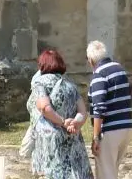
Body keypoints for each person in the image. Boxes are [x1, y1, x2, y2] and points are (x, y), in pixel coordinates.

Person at [28, 48, 92, 179]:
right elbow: (83, 112)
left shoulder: (40, 83)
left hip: (50, 139)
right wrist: (75, 122)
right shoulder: (70, 84)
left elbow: (44, 108)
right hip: (72, 135)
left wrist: (62, 122)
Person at [85, 41, 132, 179]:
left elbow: (99, 108)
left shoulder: (99, 75)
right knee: (112, 172)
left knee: (106, 174)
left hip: (110, 131)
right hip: (126, 126)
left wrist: (95, 137)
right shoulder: (120, 69)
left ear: (91, 60)